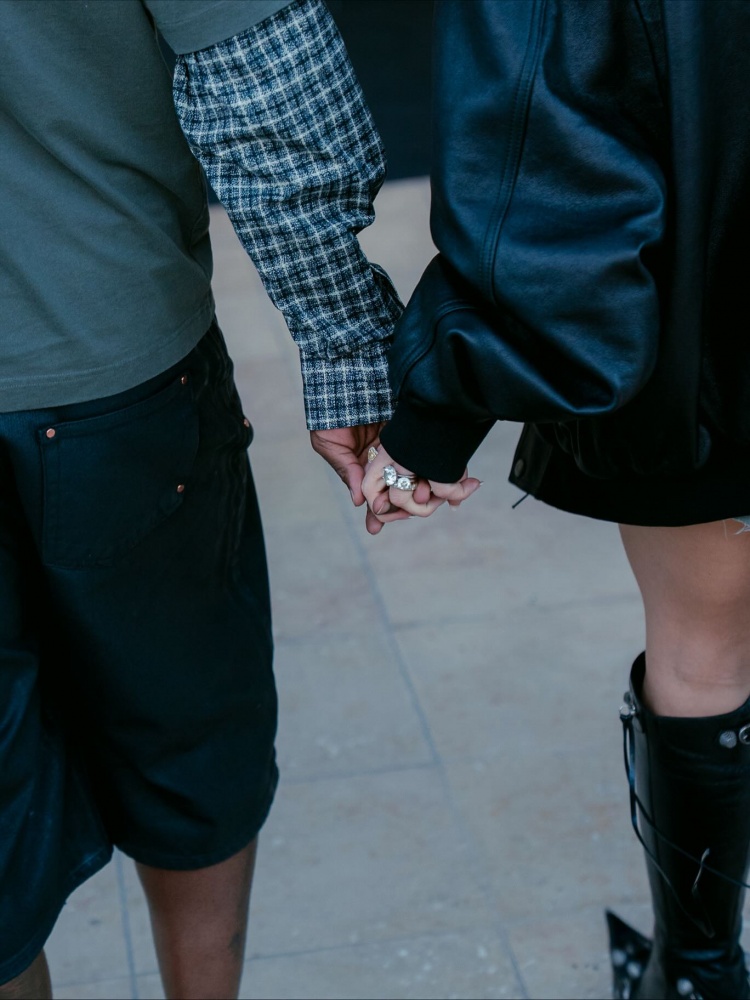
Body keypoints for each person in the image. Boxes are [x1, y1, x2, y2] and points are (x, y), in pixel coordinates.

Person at [0, 1, 403, 997]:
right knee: (189, 744)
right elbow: (268, 78)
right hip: (110, 357)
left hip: (111, 367)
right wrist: (346, 348)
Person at [362, 2, 750, 998]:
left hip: (716, 339)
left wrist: (432, 419)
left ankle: (700, 977)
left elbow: (545, 174)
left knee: (705, 655)